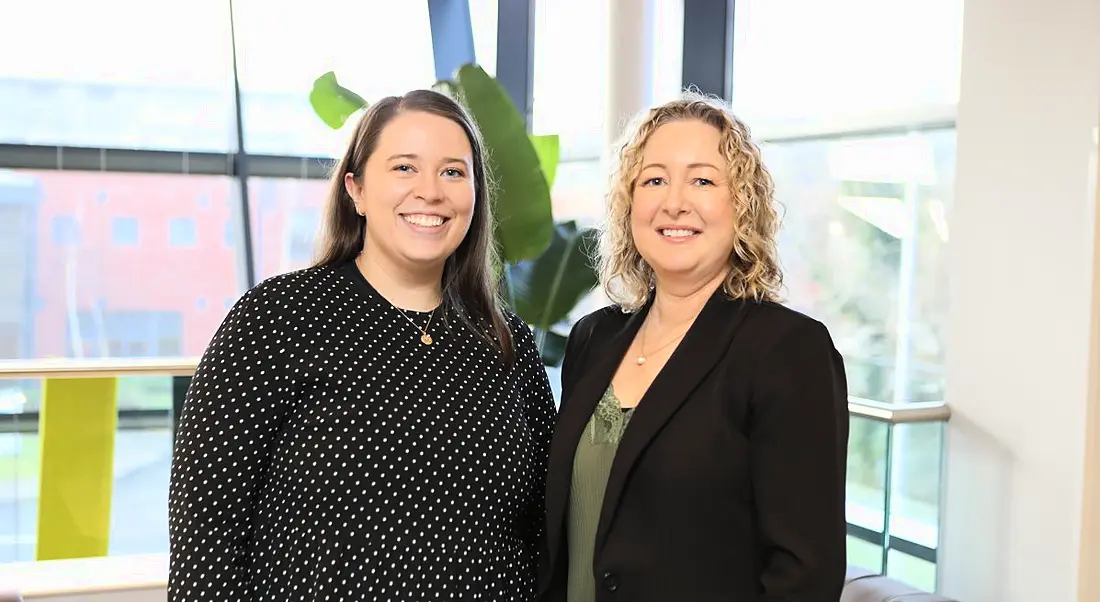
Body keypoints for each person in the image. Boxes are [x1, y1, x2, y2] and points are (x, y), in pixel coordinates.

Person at [168, 89, 556, 601]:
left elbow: (540, 533)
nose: (430, 192)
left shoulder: (507, 342)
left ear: (476, 195)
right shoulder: (277, 318)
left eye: (453, 172)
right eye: (403, 168)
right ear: (356, 190)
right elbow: (207, 531)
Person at [538, 95, 849, 601]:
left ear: (742, 204)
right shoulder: (594, 339)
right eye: (654, 179)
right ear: (630, 202)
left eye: (702, 180)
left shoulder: (787, 351)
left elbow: (804, 575)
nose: (674, 202)